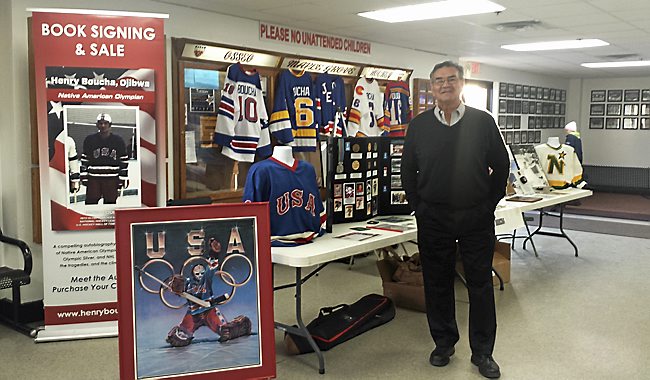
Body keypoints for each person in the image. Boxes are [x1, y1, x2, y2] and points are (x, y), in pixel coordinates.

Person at [401, 61, 509, 379]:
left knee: (479, 284)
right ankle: (444, 343)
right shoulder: (419, 126)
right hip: (433, 216)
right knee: (436, 283)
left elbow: (501, 166)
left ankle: (483, 352)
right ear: (431, 88)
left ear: (462, 83)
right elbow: (408, 171)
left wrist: (489, 203)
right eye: (438, 81)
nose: (444, 85)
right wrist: (418, 206)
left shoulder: (483, 122)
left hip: (475, 215)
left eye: (451, 79)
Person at [166, 252, 252, 347]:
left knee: (226, 331)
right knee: (180, 336)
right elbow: (174, 285)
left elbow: (211, 267)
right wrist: (175, 286)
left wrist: (214, 253)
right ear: (193, 273)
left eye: (201, 273)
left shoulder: (206, 279)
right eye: (197, 273)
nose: (199, 275)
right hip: (193, 314)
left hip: (209, 311)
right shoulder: (187, 283)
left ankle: (241, 326)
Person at [80, 113, 129, 204]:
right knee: (91, 202)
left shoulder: (118, 140)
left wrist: (123, 178)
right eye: (100, 123)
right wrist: (84, 176)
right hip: (93, 178)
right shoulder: (89, 139)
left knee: (110, 204)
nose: (103, 125)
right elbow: (85, 160)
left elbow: (124, 160)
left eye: (105, 123)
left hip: (111, 179)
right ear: (97, 125)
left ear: (110, 125)